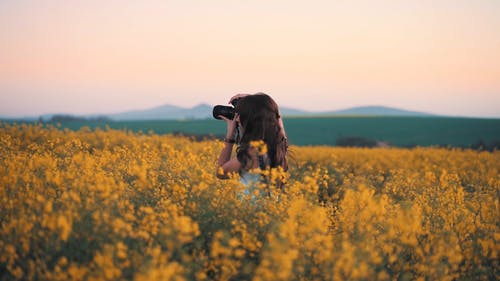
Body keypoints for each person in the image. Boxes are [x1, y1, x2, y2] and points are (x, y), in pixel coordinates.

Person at [216, 93, 288, 189]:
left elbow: (221, 172)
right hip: (269, 203)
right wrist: (255, 101)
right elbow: (276, 118)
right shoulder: (277, 146)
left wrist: (230, 135)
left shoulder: (253, 153)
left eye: (240, 115)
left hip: (251, 204)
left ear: (250, 120)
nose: (236, 119)